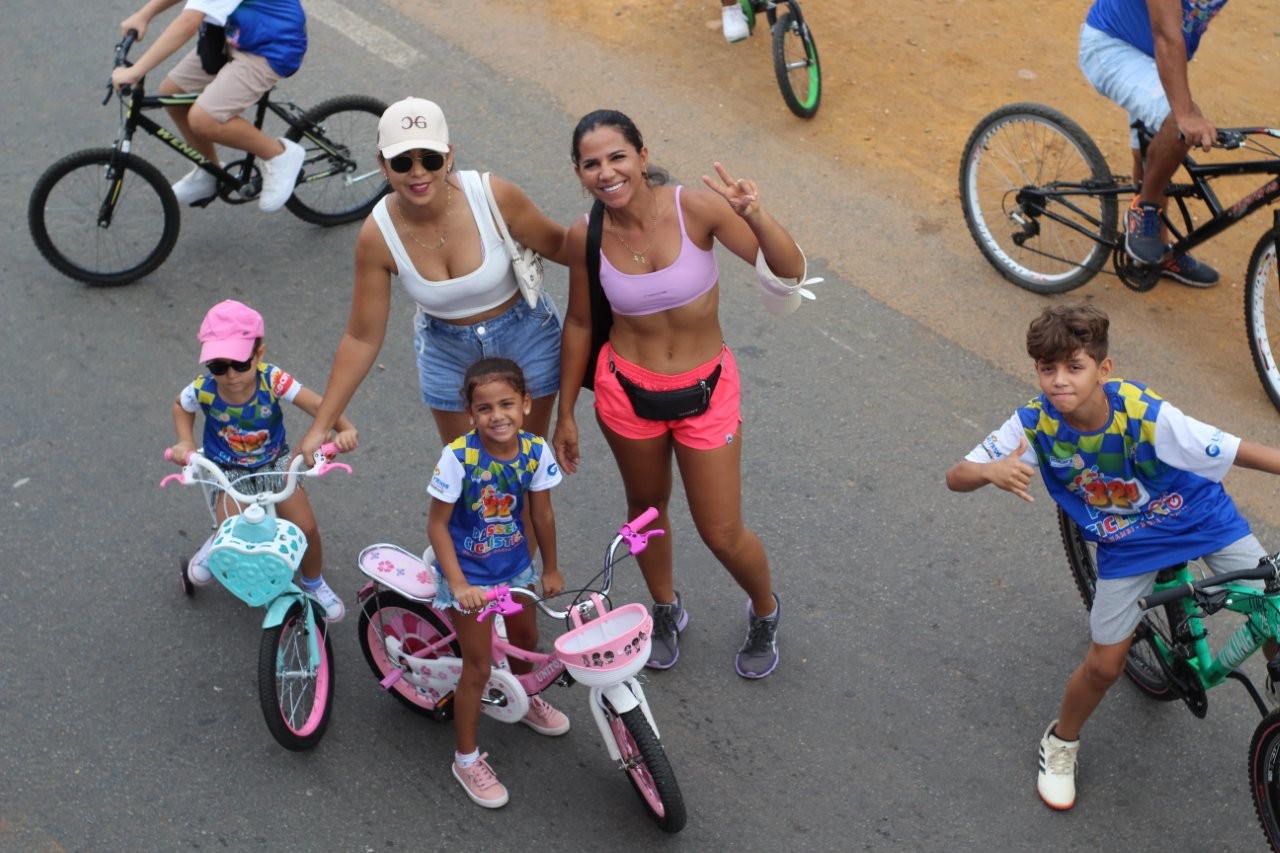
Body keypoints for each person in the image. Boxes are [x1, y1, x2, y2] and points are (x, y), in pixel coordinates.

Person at [945, 303, 1280, 810]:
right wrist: (989, 472)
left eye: (1074, 367)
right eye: (1047, 368)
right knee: (1104, 666)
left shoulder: (1143, 413)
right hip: (1128, 541)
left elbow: (1233, 449)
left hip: (1197, 516)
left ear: (1103, 369)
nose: (1059, 380)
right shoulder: (1034, 424)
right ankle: (1062, 740)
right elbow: (957, 475)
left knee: (1272, 602)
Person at [554, 109, 809, 679]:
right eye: (591, 164)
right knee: (646, 514)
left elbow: (789, 270)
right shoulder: (585, 235)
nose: (606, 172)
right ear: (579, 173)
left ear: (642, 156)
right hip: (626, 394)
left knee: (721, 531)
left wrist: (755, 214)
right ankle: (665, 607)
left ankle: (764, 609)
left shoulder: (695, 208)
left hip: (706, 391)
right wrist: (565, 412)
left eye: (617, 157)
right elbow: (579, 322)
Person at [297, 97, 568, 558]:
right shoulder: (377, 234)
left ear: (450, 154)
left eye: (431, 158)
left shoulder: (492, 196)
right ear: (383, 166)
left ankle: (513, 578)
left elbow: (565, 246)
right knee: (471, 476)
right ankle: (476, 565)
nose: (418, 172)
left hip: (525, 341)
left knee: (517, 474)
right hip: (448, 352)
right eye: (403, 161)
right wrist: (321, 425)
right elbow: (361, 336)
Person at [425, 358, 567, 809]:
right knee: (478, 668)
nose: (497, 415)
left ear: (525, 404)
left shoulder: (535, 451)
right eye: (484, 408)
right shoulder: (459, 458)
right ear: (470, 413)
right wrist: (458, 584)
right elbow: (437, 525)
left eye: (506, 404)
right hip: (470, 577)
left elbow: (541, 513)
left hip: (517, 567)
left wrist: (549, 568)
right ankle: (466, 759)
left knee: (526, 639)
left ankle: (524, 696)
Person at [169, 300, 358, 620]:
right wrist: (185, 442)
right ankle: (217, 541)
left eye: (240, 364)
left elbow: (318, 405)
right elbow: (180, 405)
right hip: (227, 469)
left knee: (306, 527)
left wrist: (345, 428)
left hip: (274, 462)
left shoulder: (273, 380)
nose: (230, 375)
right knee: (233, 530)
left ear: (259, 354)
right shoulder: (204, 389)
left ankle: (314, 583)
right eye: (218, 366)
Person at [1078, 0, 1231, 287]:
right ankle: (1143, 208)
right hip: (1112, 47)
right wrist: (1185, 114)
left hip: (1155, 58)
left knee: (1153, 149)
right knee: (1176, 124)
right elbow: (1166, 34)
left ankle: (1157, 252)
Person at [111, 0, 308, 211]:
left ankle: (280, 155)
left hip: (270, 46)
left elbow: (188, 23)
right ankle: (209, 171)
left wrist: (135, 71)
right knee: (172, 92)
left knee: (204, 119)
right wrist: (144, 14)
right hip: (233, 35)